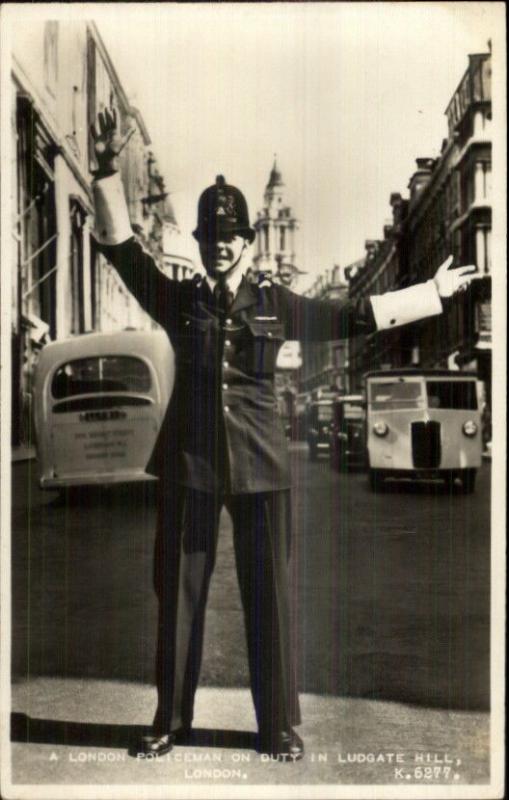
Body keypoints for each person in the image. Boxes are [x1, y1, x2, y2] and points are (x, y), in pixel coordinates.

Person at [90, 108, 479, 762]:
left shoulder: (275, 303)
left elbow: (353, 315)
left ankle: (276, 725)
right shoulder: (180, 298)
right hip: (188, 463)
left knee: (269, 597)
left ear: (247, 240)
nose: (218, 243)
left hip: (262, 466)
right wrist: (103, 174)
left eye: (228, 234)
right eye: (209, 234)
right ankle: (169, 718)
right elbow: (125, 255)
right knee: (177, 596)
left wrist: (433, 294)